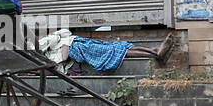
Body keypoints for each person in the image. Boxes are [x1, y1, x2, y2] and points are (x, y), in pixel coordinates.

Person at [39, 28, 176, 72]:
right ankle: (155, 52)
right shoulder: (45, 52)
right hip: (80, 48)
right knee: (115, 50)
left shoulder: (47, 44)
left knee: (118, 46)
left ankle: (155, 50)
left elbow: (65, 33)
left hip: (80, 42)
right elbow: (61, 56)